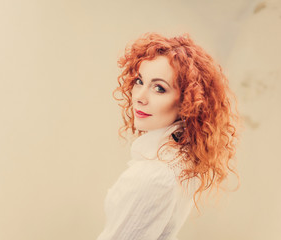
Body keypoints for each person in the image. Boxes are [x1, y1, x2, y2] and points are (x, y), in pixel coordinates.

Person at [97, 32, 240, 240]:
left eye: (159, 88)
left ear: (187, 102)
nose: (139, 97)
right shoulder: (179, 163)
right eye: (139, 81)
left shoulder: (155, 175)